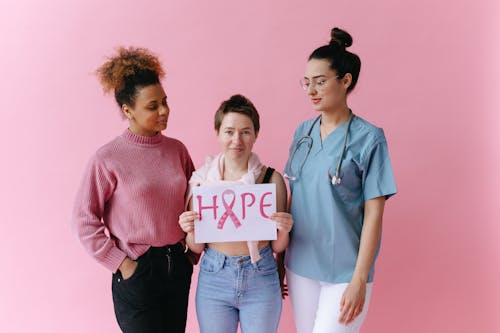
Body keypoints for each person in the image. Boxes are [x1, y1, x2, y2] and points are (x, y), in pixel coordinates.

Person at [281, 27, 397, 333]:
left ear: (345, 81)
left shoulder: (370, 138)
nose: (311, 90)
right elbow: (295, 196)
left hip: (346, 270)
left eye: (320, 82)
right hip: (300, 265)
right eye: (306, 83)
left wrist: (360, 278)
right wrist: (280, 260)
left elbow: (374, 213)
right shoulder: (302, 132)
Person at [72, 47, 195, 333]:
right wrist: (123, 264)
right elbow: (83, 221)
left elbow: (196, 202)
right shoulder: (108, 158)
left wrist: (191, 255)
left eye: (165, 101)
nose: (164, 110)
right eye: (153, 106)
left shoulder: (177, 150)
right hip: (138, 270)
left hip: (176, 266)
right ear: (128, 110)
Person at [178, 94, 293, 333]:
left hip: (260, 275)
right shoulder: (202, 181)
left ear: (256, 135)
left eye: (245, 132)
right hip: (214, 276)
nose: (236, 140)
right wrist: (190, 229)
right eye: (229, 131)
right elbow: (197, 248)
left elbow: (278, 246)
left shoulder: (271, 179)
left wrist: (284, 229)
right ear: (218, 132)